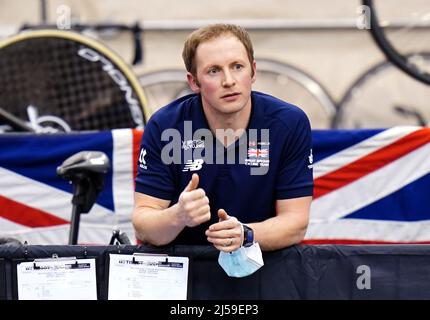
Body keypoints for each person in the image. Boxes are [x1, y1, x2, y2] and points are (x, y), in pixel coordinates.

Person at [132, 24, 313, 252]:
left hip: (264, 269)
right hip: (185, 270)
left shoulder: (288, 123)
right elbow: (144, 225)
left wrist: (245, 234)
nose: (229, 81)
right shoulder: (165, 126)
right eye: (213, 71)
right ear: (193, 82)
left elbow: (296, 223)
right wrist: (178, 216)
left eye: (237, 67)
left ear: (253, 71)